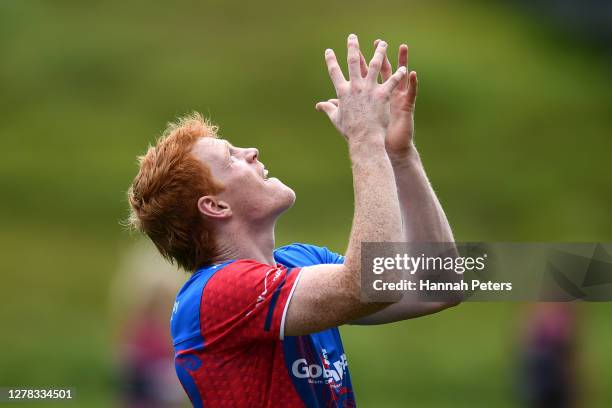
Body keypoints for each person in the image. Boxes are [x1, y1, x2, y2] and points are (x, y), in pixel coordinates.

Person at [127, 33, 461, 407]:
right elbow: (370, 284)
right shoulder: (213, 294)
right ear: (215, 207)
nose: (251, 151)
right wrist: (365, 137)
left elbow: (439, 284)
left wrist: (399, 155)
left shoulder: (300, 262)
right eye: (231, 156)